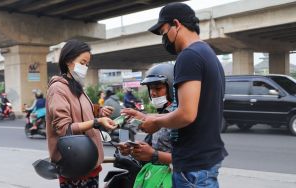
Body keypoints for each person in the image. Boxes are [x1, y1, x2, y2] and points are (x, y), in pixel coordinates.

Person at [122, 3, 228, 188]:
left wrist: (155, 122)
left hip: (192, 168)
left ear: (176, 24)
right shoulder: (208, 54)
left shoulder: (189, 56)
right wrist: (147, 117)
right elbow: (195, 110)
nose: (164, 39)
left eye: (164, 32)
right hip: (204, 161)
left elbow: (186, 114)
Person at [46, 39, 117, 188]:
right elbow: (64, 129)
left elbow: (83, 113)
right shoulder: (58, 89)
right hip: (74, 162)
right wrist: (96, 122)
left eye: (87, 64)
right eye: (82, 62)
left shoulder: (77, 87)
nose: (85, 67)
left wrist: (99, 113)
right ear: (68, 61)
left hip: (88, 161)